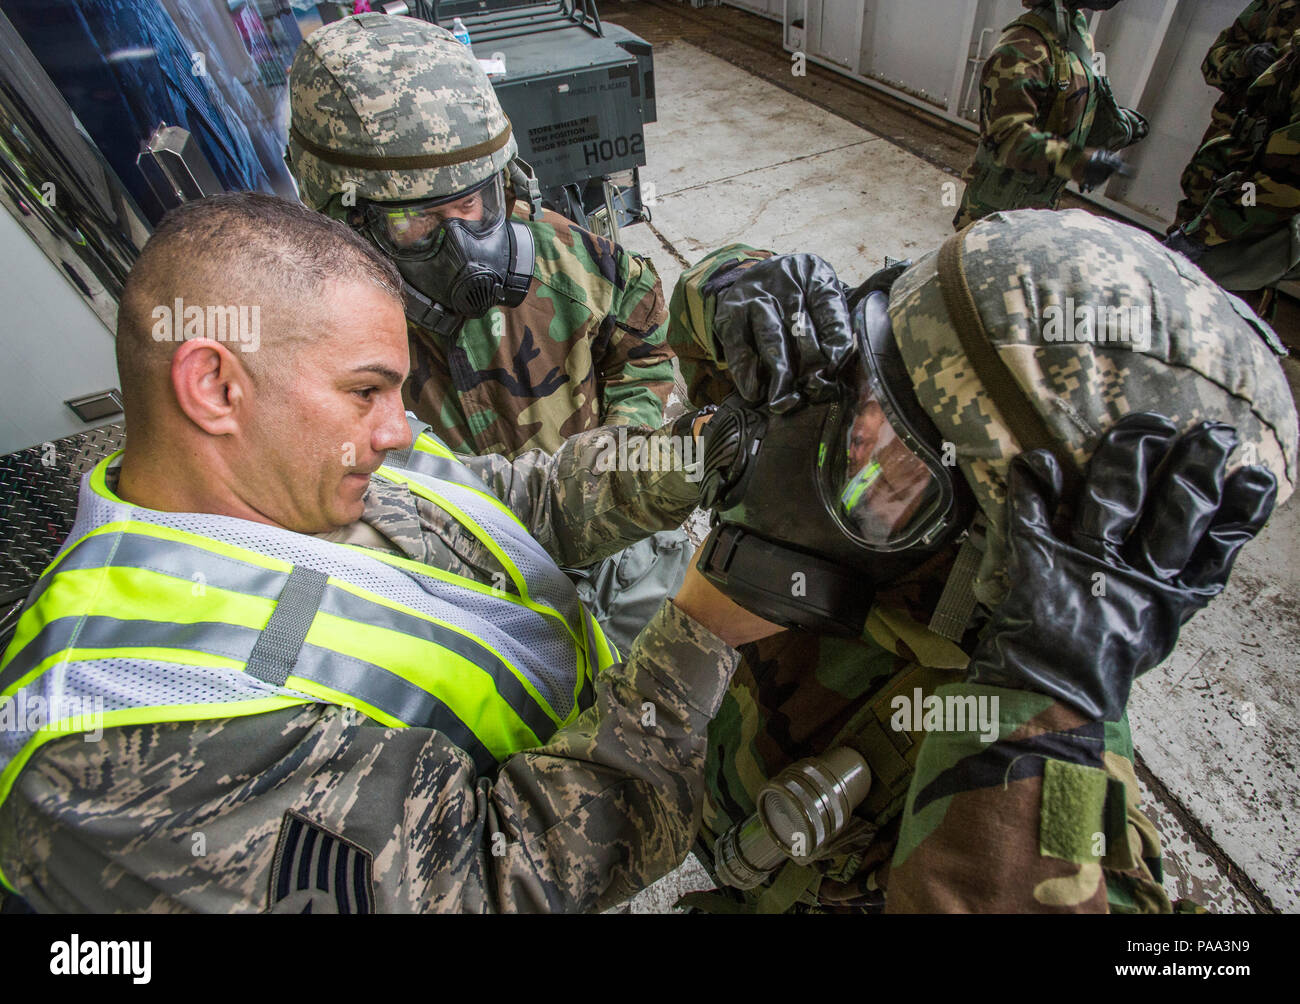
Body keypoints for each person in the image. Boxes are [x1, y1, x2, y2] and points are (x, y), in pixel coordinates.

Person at [0, 192, 781, 913]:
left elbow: (506, 506)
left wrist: (701, 453)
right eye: (367, 390)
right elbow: (490, 881)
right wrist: (699, 636)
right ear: (215, 387)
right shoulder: (123, 736)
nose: (399, 430)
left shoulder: (308, 463)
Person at [667, 208, 1297, 912]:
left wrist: (1040, 709)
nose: (855, 432)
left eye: (906, 449)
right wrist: (737, 284)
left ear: (1003, 554)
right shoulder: (855, 485)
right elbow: (712, 338)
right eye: (867, 385)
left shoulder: (1056, 769)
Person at [285, 12, 689, 654]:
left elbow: (643, 340)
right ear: (346, 220)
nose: (467, 252)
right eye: (418, 221)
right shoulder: (313, 353)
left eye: (471, 206)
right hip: (469, 604)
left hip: (610, 542)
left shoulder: (564, 260)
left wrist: (622, 445)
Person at [954, 0, 1147, 230]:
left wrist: (1120, 127)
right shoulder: (1021, 48)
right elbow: (1007, 139)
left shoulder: (1074, 34)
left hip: (1038, 206)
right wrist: (1080, 162)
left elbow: (1070, 106)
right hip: (995, 215)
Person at [1166, 3, 1300, 312]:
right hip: (1216, 172)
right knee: (1173, 282)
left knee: (1232, 301)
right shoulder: (1272, 7)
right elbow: (1212, 64)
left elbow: (1282, 185)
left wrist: (1205, 233)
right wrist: (1244, 60)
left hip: (1258, 199)